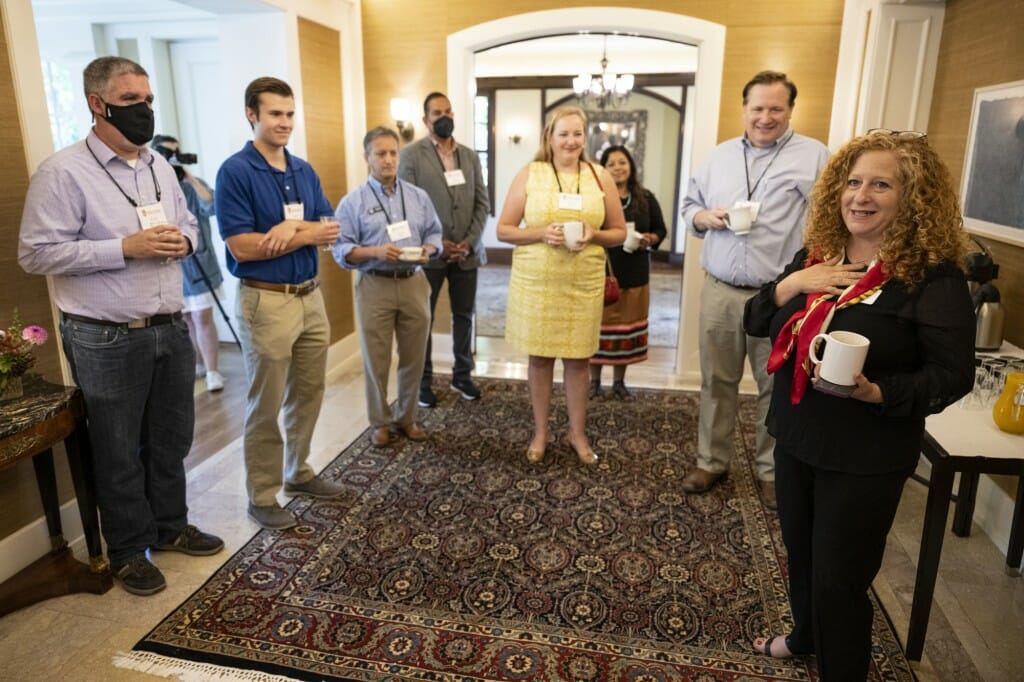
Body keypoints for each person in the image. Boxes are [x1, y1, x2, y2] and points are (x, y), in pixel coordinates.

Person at [742, 131, 975, 678]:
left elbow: (952, 374)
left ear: (911, 198)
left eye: (880, 184)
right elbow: (755, 321)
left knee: (838, 579)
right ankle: (804, 636)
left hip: (866, 451)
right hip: (799, 432)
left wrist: (879, 391)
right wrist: (791, 284)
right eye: (852, 181)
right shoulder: (816, 257)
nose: (860, 195)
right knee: (799, 553)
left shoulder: (932, 277)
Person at [18, 56, 223, 596]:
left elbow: (188, 229)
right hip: (106, 336)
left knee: (171, 439)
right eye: (132, 101)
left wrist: (186, 240)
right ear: (97, 103)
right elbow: (35, 253)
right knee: (116, 447)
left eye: (148, 100)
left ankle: (170, 527)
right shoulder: (62, 172)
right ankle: (130, 550)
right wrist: (121, 248)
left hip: (169, 326)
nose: (145, 111)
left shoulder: (159, 167)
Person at [680, 70, 830, 509]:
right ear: (744, 109)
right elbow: (689, 207)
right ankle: (711, 461)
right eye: (757, 108)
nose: (766, 117)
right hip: (720, 290)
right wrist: (703, 217)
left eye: (775, 109)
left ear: (790, 111)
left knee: (774, 385)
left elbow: (829, 219)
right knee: (717, 380)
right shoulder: (720, 156)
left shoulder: (815, 157)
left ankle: (771, 469)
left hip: (778, 294)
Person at [215, 77, 342, 531]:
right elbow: (244, 247)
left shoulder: (303, 170)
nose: (285, 122)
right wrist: (302, 233)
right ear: (252, 114)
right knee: (265, 403)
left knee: (308, 392)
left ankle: (298, 472)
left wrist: (293, 231)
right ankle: (263, 495)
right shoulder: (235, 171)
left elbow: (331, 228)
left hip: (311, 296)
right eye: (275, 114)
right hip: (265, 302)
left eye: (289, 113)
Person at [496, 105, 627, 465]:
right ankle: (541, 432)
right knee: (539, 358)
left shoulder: (600, 176)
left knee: (578, 360)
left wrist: (594, 233)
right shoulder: (530, 173)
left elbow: (619, 233)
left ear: (585, 138)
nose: (571, 141)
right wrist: (541, 232)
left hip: (582, 280)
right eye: (563, 134)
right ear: (549, 138)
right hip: (537, 281)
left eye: (577, 134)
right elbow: (503, 230)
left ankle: (577, 433)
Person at [334, 127, 443, 448]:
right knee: (376, 359)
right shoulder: (352, 202)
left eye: (393, 153)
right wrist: (375, 252)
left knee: (414, 357)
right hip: (375, 285)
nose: (388, 160)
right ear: (367, 158)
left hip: (413, 283)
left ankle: (406, 419)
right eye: (380, 154)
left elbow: (435, 234)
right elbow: (341, 250)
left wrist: (429, 250)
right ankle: (379, 422)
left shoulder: (418, 196)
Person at [398, 92, 489, 408]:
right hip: (429, 255)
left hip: (467, 253)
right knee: (424, 317)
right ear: (425, 120)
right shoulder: (411, 156)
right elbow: (406, 206)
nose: (444, 116)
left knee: (464, 316)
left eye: (448, 111)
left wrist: (469, 242)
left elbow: (482, 202)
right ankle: (423, 381)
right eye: (437, 113)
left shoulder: (470, 155)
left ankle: (463, 375)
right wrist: (438, 244)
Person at [589, 145, 667, 399]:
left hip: (635, 274)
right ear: (603, 169)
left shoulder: (645, 197)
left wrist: (649, 238)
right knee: (596, 331)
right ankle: (593, 383)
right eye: (611, 164)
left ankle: (619, 383)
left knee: (625, 331)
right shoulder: (595, 197)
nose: (618, 168)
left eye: (622, 162)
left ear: (631, 166)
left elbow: (661, 230)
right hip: (601, 272)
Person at [152, 134, 226, 393]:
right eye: (166, 153)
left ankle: (213, 370)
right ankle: (198, 364)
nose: (172, 158)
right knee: (185, 320)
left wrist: (190, 177)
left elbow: (214, 205)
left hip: (200, 265)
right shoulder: (153, 187)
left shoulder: (191, 187)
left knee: (202, 317)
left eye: (176, 153)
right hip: (172, 268)